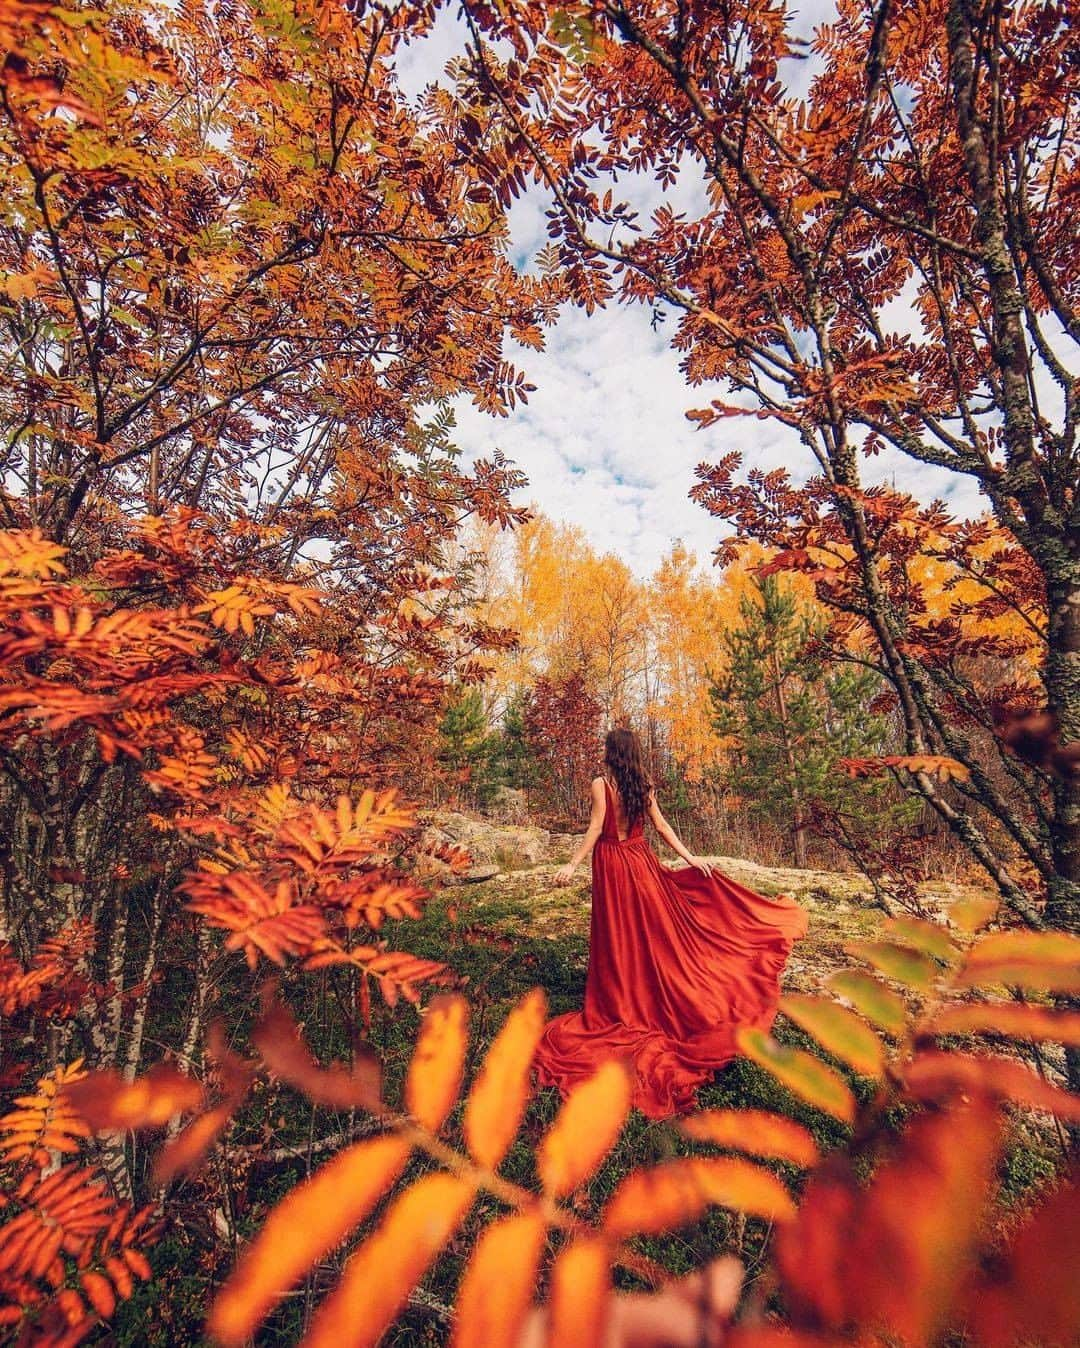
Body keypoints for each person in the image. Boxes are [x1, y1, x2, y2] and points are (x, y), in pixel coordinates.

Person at [533, 728, 808, 1119]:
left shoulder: (601, 783)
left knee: (621, 934)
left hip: (613, 865)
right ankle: (641, 988)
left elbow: (596, 828)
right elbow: (661, 828)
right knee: (650, 933)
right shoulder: (641, 784)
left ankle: (625, 995)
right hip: (641, 862)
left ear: (611, 753)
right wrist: (691, 858)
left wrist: (571, 864)